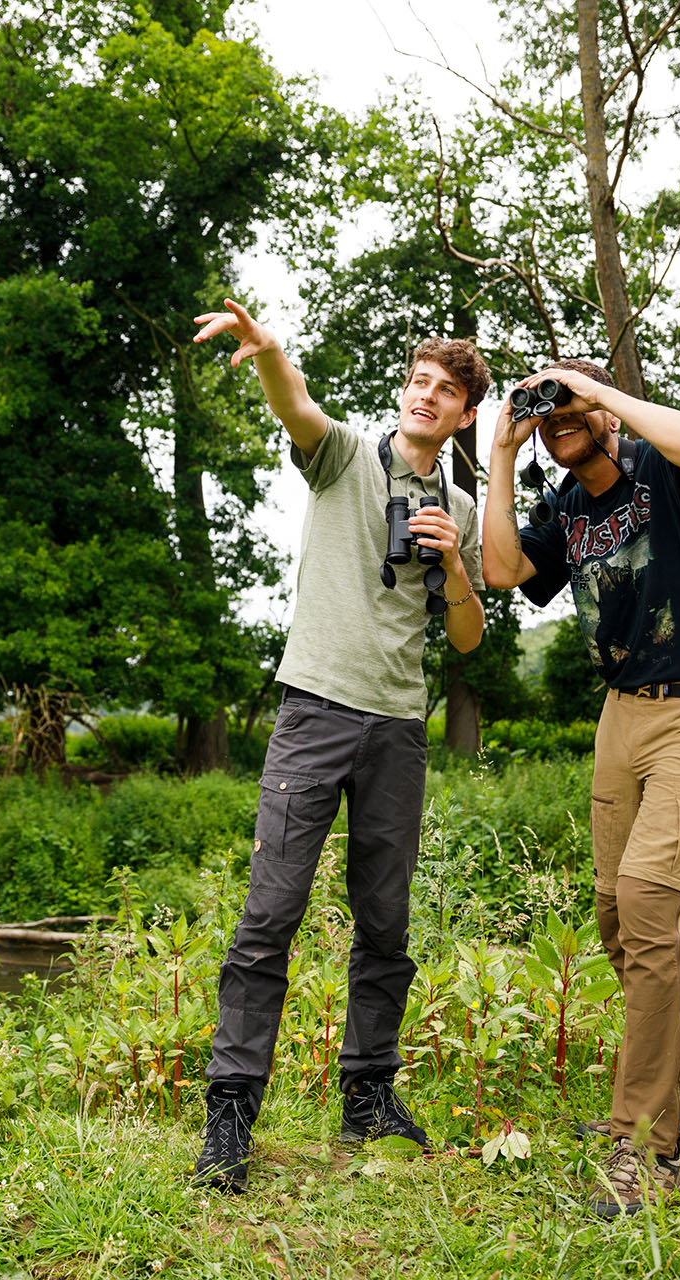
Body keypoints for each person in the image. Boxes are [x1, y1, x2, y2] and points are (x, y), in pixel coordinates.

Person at [187, 298, 488, 1193]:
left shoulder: (460, 507)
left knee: (385, 924)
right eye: (417, 382)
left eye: (445, 391)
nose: (426, 397)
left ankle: (368, 1098)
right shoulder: (349, 457)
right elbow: (297, 407)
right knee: (268, 917)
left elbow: (467, 638)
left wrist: (457, 565)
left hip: (398, 726)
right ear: (404, 393)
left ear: (465, 414)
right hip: (315, 710)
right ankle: (230, 1119)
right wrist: (272, 353)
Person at [481, 359, 680, 1218]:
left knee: (647, 904)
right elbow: (501, 573)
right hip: (620, 716)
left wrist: (597, 394)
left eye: (567, 404)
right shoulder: (568, 507)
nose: (556, 416)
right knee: (617, 917)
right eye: (545, 408)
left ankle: (647, 1145)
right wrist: (499, 453)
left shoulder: (664, 474)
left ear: (602, 413)